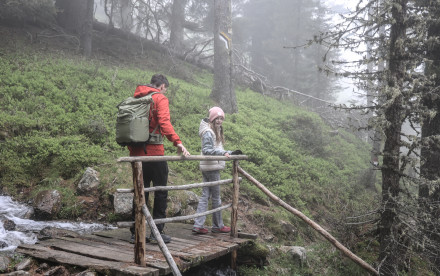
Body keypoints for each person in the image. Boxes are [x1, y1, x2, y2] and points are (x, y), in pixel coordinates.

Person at [129, 74, 190, 244]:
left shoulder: (137, 98)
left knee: (140, 192)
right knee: (161, 190)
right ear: (162, 86)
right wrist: (178, 142)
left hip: (136, 154)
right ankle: (157, 232)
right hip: (155, 153)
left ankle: (136, 231)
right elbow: (164, 122)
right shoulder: (159, 98)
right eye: (166, 89)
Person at [192, 107, 232, 234]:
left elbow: (213, 148)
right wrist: (223, 153)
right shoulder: (209, 132)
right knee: (216, 197)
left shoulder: (214, 130)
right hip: (212, 167)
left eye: (221, 118)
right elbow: (207, 150)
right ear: (212, 118)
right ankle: (217, 225)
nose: (219, 121)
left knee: (205, 196)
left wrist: (225, 152)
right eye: (217, 118)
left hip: (208, 166)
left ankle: (198, 225)